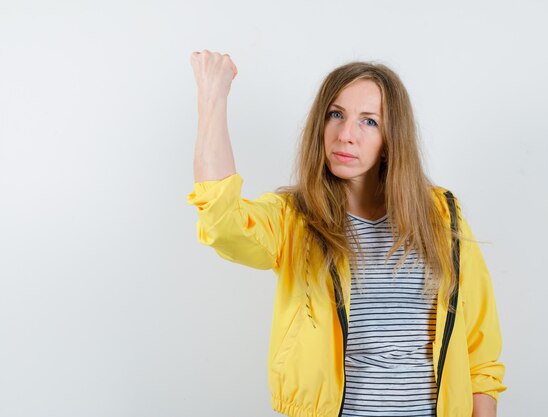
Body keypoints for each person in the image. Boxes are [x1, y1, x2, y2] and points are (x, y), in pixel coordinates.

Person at [186, 50, 506, 417]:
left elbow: (480, 354)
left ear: (392, 138)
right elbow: (221, 221)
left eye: (368, 121)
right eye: (335, 115)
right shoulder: (295, 218)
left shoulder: (441, 214)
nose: (345, 135)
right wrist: (213, 97)